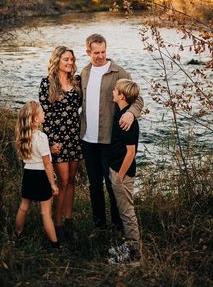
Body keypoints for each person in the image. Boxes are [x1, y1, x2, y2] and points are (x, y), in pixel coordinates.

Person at [80, 33, 143, 231]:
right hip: (87, 140)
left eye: (103, 52)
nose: (100, 56)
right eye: (96, 52)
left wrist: (131, 114)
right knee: (94, 186)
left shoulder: (118, 72)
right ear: (88, 52)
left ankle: (118, 227)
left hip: (109, 140)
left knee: (113, 185)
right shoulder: (84, 72)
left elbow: (137, 98)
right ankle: (99, 226)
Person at [39, 46, 82, 240]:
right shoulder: (46, 83)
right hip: (57, 140)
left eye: (71, 59)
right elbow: (45, 116)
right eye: (66, 59)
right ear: (57, 60)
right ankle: (57, 225)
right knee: (62, 182)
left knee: (72, 181)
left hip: (74, 137)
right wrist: (51, 143)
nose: (70, 62)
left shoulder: (77, 81)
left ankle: (69, 220)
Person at [14, 100, 61, 248]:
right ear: (35, 119)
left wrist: (49, 150)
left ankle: (17, 235)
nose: (44, 114)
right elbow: (47, 164)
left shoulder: (24, 136)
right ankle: (55, 244)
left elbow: (33, 155)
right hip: (41, 177)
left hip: (28, 175)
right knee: (45, 213)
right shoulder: (42, 137)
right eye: (42, 112)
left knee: (23, 207)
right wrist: (53, 184)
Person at [107, 79, 141, 264]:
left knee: (127, 212)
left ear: (121, 96)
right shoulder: (120, 113)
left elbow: (131, 152)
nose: (113, 91)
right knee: (122, 210)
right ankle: (128, 245)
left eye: (115, 90)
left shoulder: (127, 120)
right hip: (116, 169)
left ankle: (134, 254)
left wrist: (119, 176)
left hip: (123, 173)